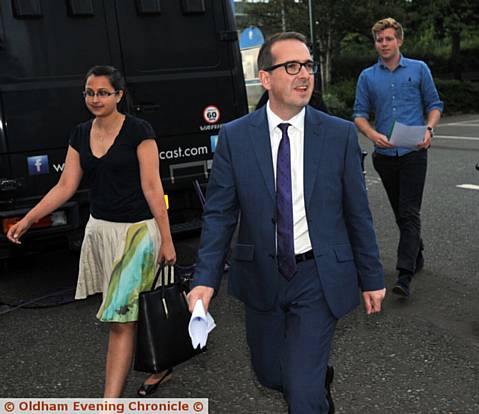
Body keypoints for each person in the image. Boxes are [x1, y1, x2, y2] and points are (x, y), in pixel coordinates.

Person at [187, 32, 385, 413]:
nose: (304, 75)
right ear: (265, 78)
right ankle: (314, 383)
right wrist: (204, 281)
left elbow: (357, 212)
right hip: (261, 274)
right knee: (269, 374)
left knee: (299, 389)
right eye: (291, 66)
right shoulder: (234, 137)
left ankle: (309, 390)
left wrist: (372, 276)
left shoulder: (339, 135)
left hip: (318, 276)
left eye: (308, 66)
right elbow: (219, 214)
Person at [6, 65, 177, 397]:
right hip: (101, 232)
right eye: (89, 92)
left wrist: (167, 239)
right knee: (132, 309)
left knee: (121, 318)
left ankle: (108, 402)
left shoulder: (139, 131)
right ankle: (163, 363)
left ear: (119, 95)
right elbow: (65, 186)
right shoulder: (80, 133)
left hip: (138, 235)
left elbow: (153, 187)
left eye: (103, 92)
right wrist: (27, 219)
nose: (95, 98)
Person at [353, 17, 443, 298]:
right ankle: (416, 253)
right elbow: (359, 114)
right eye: (379, 40)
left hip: (414, 151)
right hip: (384, 154)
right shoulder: (367, 76)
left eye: (388, 39)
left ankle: (404, 274)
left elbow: (434, 104)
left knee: (408, 211)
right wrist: (371, 134)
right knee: (400, 212)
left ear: (399, 41)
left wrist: (429, 129)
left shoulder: (419, 69)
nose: (383, 44)